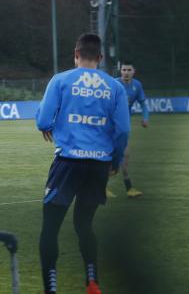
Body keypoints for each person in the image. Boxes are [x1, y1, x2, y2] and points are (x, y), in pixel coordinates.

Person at [35, 33, 130, 294]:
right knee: (84, 224)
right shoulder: (115, 87)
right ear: (100, 57)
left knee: (50, 228)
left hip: (67, 162)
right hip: (98, 165)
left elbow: (43, 121)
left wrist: (49, 124)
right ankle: (92, 281)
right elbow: (122, 130)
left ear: (75, 54)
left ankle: (51, 288)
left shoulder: (61, 80)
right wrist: (116, 159)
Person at [107, 61, 149, 198]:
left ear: (133, 71)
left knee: (124, 157)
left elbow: (143, 104)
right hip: (110, 126)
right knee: (111, 157)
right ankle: (100, 187)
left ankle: (129, 189)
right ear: (121, 71)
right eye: (124, 69)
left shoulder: (137, 85)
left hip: (123, 126)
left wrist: (145, 118)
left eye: (128, 70)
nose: (126, 72)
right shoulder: (113, 83)